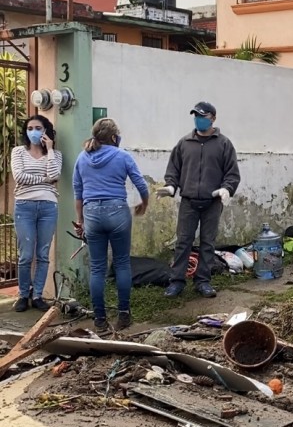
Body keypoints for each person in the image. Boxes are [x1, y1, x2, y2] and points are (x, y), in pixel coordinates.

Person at [73, 118, 149, 332]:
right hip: (117, 212)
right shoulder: (122, 156)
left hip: (92, 214)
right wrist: (144, 202)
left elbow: (78, 192)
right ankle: (124, 316)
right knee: (122, 263)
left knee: (97, 268)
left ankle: (99, 321)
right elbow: (141, 184)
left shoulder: (82, 158)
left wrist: (80, 220)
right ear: (114, 137)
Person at [160, 102, 240, 299]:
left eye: (202, 116)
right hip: (188, 201)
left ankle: (203, 281)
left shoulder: (224, 144)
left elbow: (232, 173)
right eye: (196, 115)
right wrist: (171, 186)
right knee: (183, 242)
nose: (198, 119)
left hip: (212, 202)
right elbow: (174, 169)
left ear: (213, 118)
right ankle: (176, 281)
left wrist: (227, 189)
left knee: (208, 243)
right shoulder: (184, 143)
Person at [11, 115, 62, 312]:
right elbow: (19, 177)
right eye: (30, 128)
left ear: (45, 131)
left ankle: (38, 295)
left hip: (49, 206)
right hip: (24, 205)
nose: (33, 131)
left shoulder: (55, 154)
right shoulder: (18, 152)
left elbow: (55, 175)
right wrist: (45, 180)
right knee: (25, 254)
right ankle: (23, 295)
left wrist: (49, 150)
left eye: (38, 127)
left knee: (42, 253)